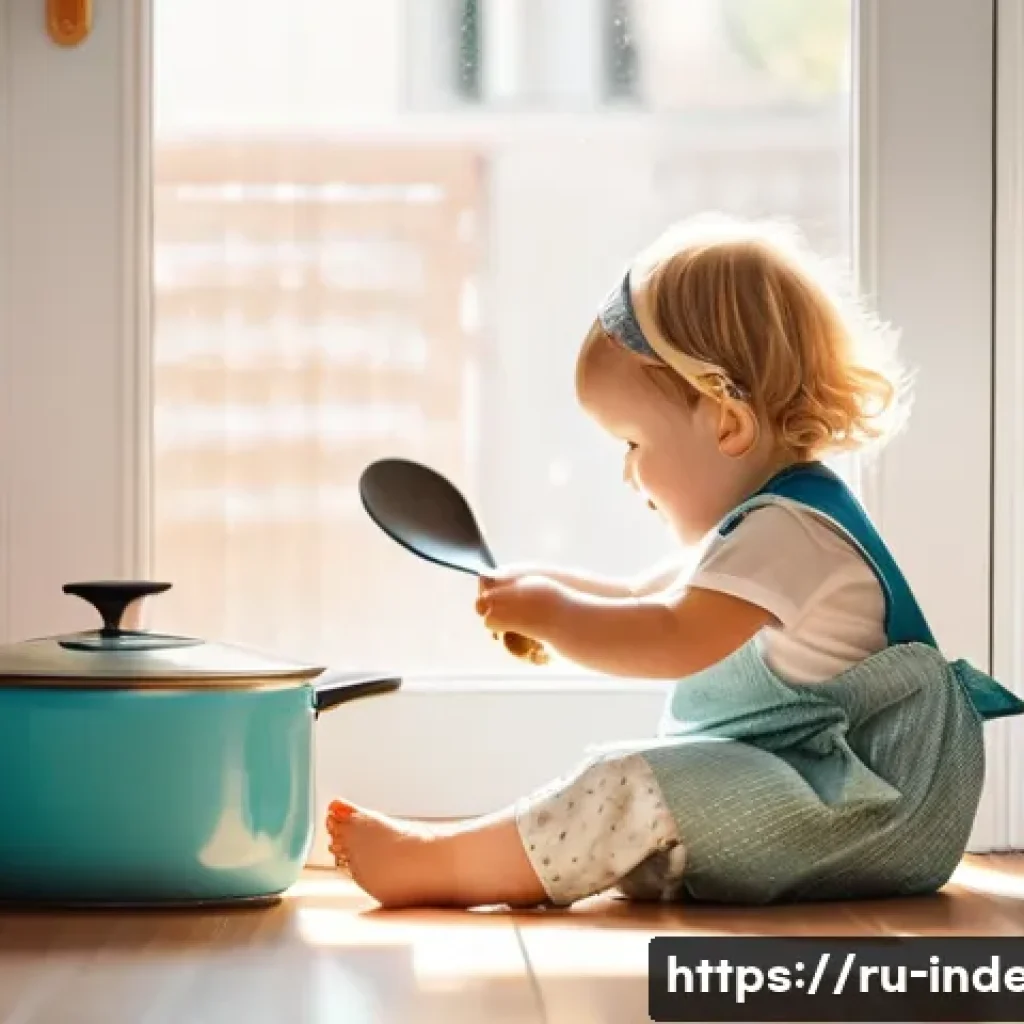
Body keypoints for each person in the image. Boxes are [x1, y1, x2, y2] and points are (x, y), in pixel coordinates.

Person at [325, 215, 1023, 909]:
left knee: (623, 782)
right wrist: (543, 592)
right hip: (809, 787)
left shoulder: (788, 537)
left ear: (726, 422)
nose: (628, 475)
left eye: (632, 444)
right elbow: (638, 597)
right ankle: (607, 854)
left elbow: (668, 637)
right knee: (643, 793)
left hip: (864, 809)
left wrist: (557, 616)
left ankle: (444, 865)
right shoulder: (761, 528)